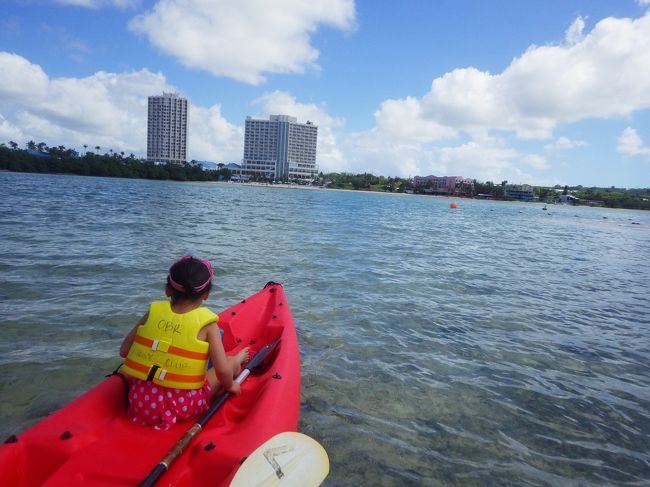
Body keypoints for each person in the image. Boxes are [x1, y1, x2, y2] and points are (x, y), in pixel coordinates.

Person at [119, 255, 249, 430]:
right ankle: (239, 359)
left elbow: (124, 351)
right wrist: (232, 385)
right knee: (230, 362)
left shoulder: (152, 313)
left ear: (167, 290)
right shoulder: (208, 325)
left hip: (140, 402)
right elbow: (222, 371)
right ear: (206, 295)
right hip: (183, 406)